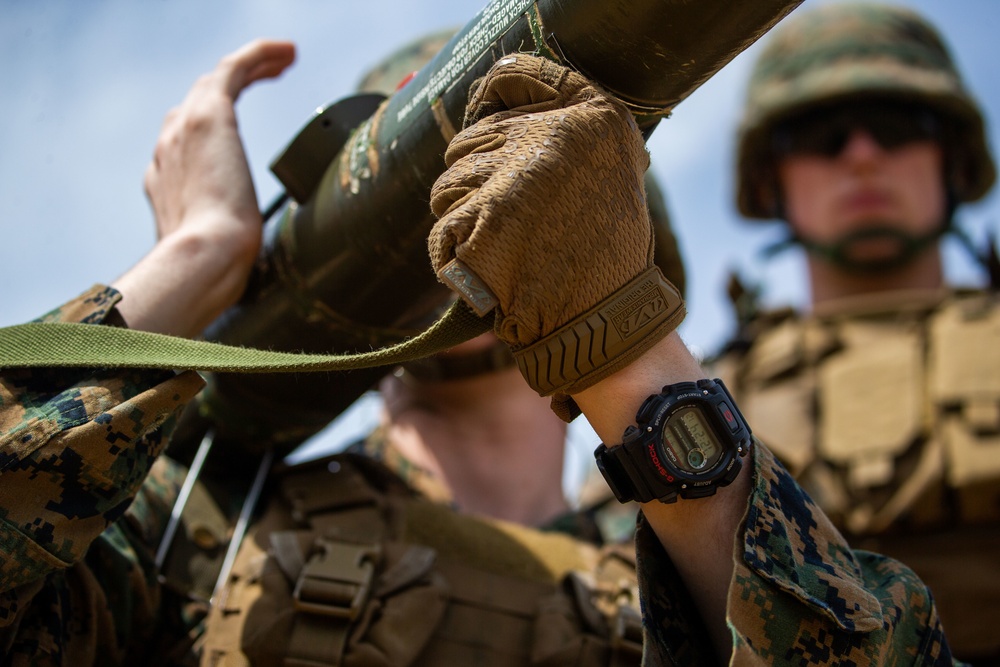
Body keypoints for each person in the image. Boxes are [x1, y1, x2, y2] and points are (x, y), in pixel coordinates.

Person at [0, 37, 957, 667]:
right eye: (437, 200)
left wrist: (619, 338)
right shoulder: (197, 525)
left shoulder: (718, 560)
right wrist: (197, 256)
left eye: (515, 198)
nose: (476, 226)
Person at [712, 3, 1000, 664]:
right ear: (770, 177)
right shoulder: (712, 395)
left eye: (898, 127)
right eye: (823, 135)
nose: (864, 156)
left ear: (951, 159)